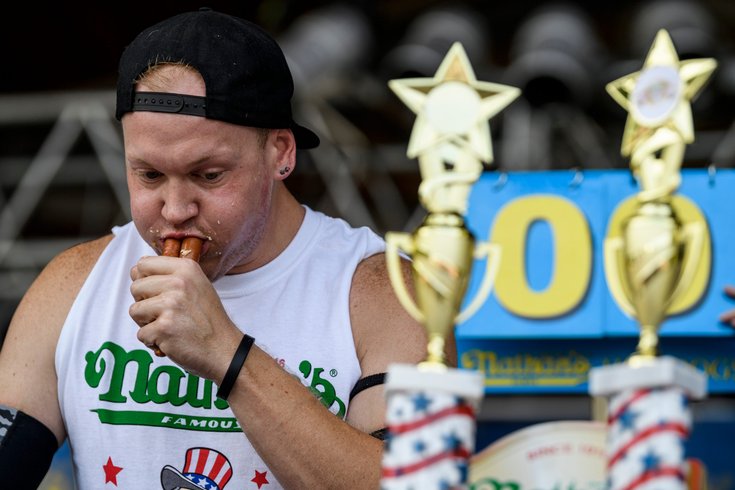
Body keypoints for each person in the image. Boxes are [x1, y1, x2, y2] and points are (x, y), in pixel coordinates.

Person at [0, 8, 444, 489]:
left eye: (208, 175)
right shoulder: (72, 283)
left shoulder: (388, 292)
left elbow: (421, 484)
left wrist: (226, 354)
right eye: (149, 175)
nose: (175, 208)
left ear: (281, 152)